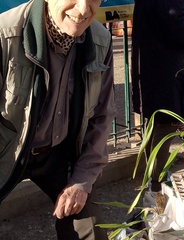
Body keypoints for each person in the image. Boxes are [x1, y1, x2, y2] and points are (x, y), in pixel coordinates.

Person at [0, 0, 116, 239]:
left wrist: (81, 182)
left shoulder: (100, 39)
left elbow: (102, 116)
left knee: (90, 228)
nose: (83, 9)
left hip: (57, 153)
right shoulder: (5, 34)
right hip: (6, 150)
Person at [131, 0, 184, 192]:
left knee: (157, 122)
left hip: (157, 66)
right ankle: (156, 184)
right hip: (167, 71)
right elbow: (180, 30)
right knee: (166, 124)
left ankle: (153, 180)